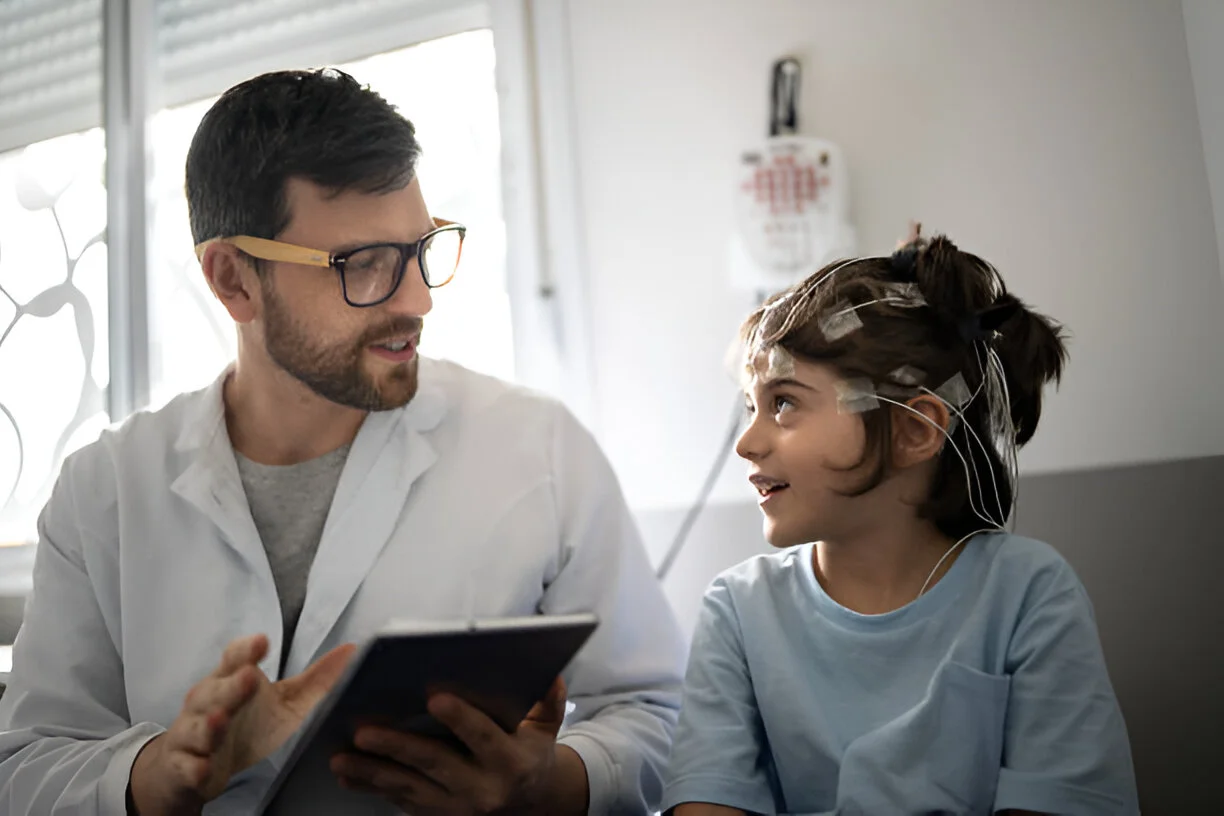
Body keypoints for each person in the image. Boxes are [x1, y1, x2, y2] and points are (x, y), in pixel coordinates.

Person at [0, 68, 686, 815]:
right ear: (233, 281)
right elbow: (29, 763)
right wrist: (156, 774)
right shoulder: (105, 492)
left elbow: (661, 713)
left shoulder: (538, 450)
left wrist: (548, 785)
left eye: (423, 250)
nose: (418, 300)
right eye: (364, 265)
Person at [661, 232, 1139, 815]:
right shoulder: (738, 611)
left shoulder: (1027, 594)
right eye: (751, 405)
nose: (746, 442)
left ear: (915, 431)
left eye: (784, 402)